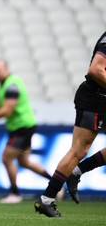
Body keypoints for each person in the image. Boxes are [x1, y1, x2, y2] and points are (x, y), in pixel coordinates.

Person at [0, 59, 63, 204]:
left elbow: (7, 110)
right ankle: (56, 184)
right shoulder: (4, 85)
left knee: (6, 158)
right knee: (24, 161)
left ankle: (15, 193)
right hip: (22, 127)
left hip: (22, 128)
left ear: (6, 69)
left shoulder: (11, 86)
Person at [34, 30, 106, 217]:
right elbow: (96, 69)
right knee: (78, 150)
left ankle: (77, 171)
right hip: (95, 98)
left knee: (79, 151)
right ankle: (46, 200)